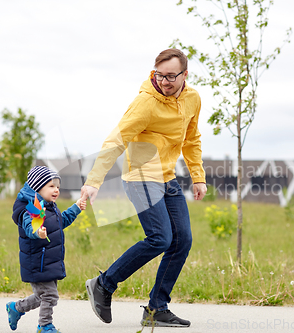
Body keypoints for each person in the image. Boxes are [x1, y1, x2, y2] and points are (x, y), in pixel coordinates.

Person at [81, 48, 207, 328]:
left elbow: (192, 138)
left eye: (171, 76)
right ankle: (103, 284)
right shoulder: (145, 103)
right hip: (140, 176)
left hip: (166, 177)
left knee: (182, 240)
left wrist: (198, 176)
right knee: (160, 238)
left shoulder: (192, 99)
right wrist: (94, 180)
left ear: (185, 75)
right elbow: (116, 138)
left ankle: (156, 308)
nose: (164, 82)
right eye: (159, 75)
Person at [7, 166, 85, 333]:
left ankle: (16, 308)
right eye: (51, 186)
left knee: (41, 296)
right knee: (49, 295)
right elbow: (29, 227)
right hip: (37, 262)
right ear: (37, 188)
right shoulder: (32, 208)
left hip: (49, 261)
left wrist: (76, 207)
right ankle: (44, 326)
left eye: (57, 186)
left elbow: (60, 222)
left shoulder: (50, 206)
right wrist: (38, 232)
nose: (56, 190)